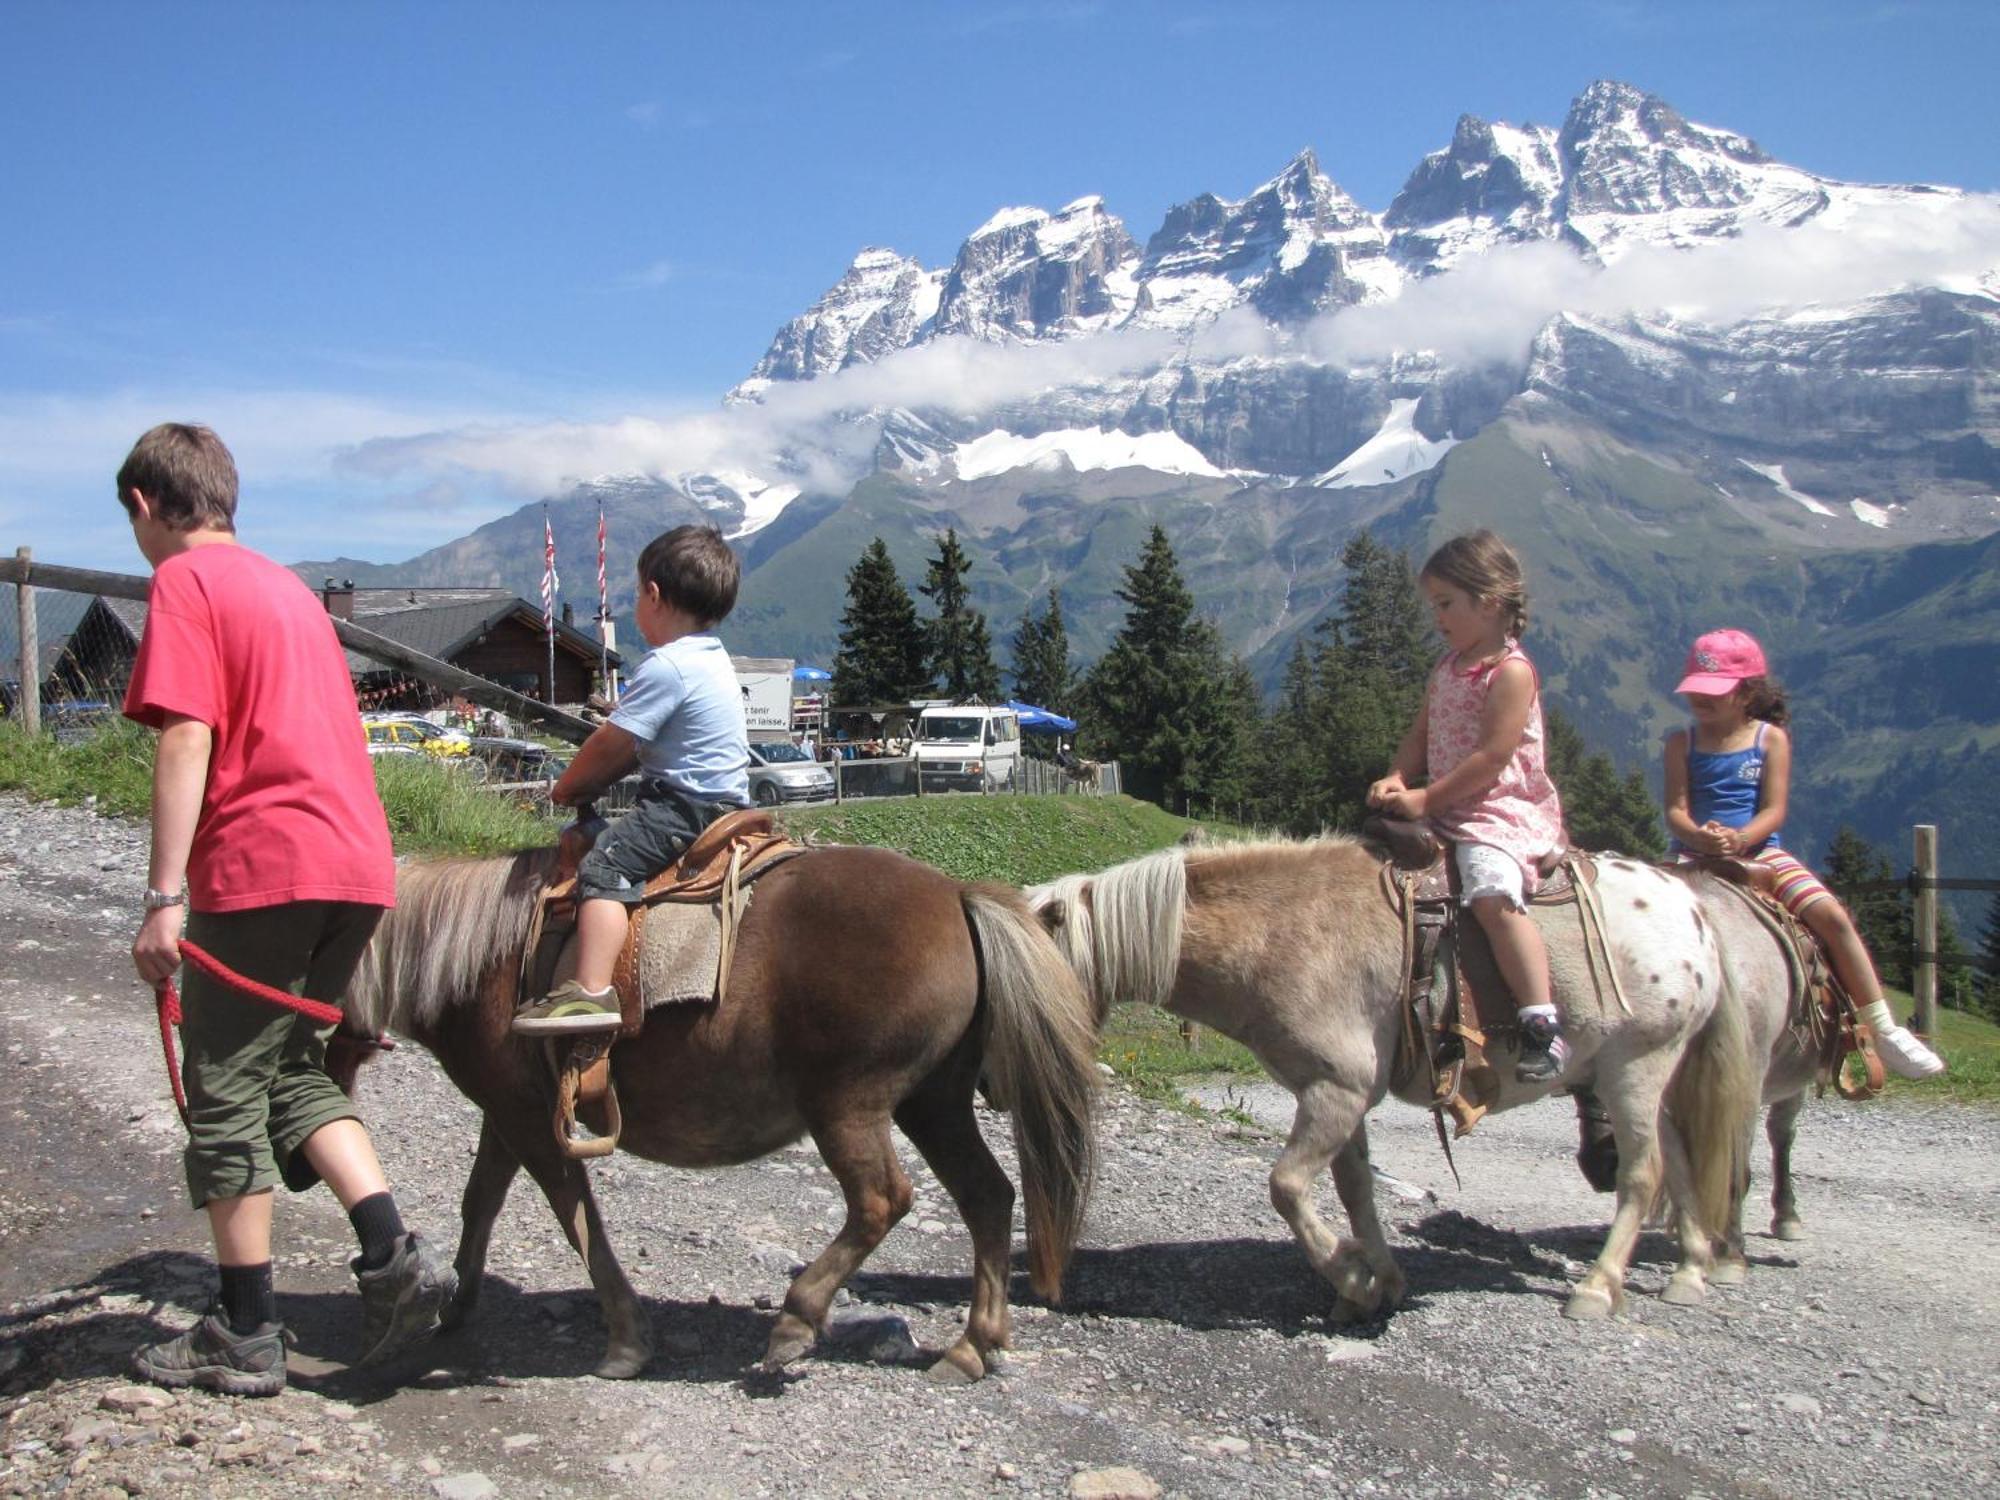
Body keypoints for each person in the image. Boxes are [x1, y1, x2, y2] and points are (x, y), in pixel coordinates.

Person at [116, 423, 455, 1396]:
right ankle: (393, 1255)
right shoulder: (288, 589)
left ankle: (245, 1328)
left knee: (222, 1082)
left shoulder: (184, 582)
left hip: (263, 862)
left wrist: (163, 898)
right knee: (290, 1071)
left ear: (145, 504)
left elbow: (188, 738)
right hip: (356, 868)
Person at [1663, 628, 1944, 1079]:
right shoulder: (1682, 742)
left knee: (1832, 918)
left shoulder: (1769, 739)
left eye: (1715, 691)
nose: (1702, 700)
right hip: (1691, 853)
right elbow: (1675, 809)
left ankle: (1882, 1028)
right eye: (1697, 690)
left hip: (1761, 854)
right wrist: (1698, 836)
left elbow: (1773, 811)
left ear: (1747, 692)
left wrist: (1738, 838)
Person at [512, 526, 752, 1034]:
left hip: (685, 806)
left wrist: (566, 787)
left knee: (605, 865)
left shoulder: (668, 665)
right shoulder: (712, 657)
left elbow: (611, 746)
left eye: (636, 594)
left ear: (654, 595)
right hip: (725, 802)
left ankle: (590, 994)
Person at [1367, 530, 1571, 1083]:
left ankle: (1538, 1020)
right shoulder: (1449, 666)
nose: (1437, 617)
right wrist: (1396, 774)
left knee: (1488, 890)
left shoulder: (1511, 672)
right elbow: (1421, 731)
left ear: (1489, 601)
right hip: (1446, 802)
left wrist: (1426, 797)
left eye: (1446, 603)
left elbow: (1492, 756)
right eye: (1435, 605)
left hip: (1498, 807)